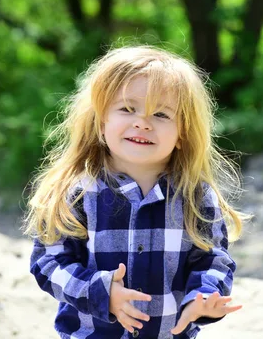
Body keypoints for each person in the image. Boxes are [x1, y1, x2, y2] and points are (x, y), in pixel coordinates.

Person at [22, 45, 250, 338]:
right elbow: (49, 263)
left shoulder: (195, 197)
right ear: (101, 123)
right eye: (127, 109)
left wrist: (203, 296)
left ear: (183, 133)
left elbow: (212, 260)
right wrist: (102, 293)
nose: (142, 123)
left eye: (161, 114)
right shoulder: (78, 192)